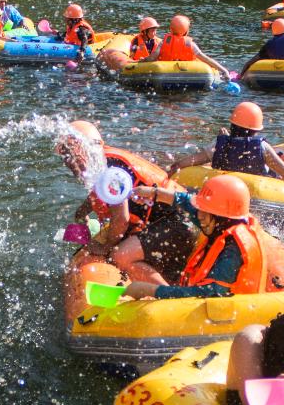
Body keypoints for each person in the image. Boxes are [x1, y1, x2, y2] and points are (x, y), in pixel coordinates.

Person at [60, 121, 195, 284]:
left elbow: (121, 219)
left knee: (119, 256)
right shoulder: (102, 162)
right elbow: (102, 193)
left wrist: (107, 246)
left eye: (70, 154)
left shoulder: (110, 169)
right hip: (174, 220)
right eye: (64, 155)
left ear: (84, 148)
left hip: (180, 222)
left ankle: (169, 296)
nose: (68, 161)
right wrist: (82, 212)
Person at [166, 101, 284, 212]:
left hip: (224, 192)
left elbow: (194, 159)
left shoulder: (218, 143)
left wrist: (175, 167)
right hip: (258, 195)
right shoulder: (262, 147)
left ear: (233, 124)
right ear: (256, 129)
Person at [121, 174, 265, 300]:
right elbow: (187, 203)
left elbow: (212, 294)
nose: (198, 215)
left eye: (204, 211)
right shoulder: (222, 221)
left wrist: (152, 291)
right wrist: (155, 193)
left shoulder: (233, 249)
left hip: (230, 312)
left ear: (221, 217)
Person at [142, 15, 230, 78]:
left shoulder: (164, 42)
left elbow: (152, 57)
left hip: (164, 72)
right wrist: (224, 70)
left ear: (171, 29)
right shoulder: (190, 44)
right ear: (186, 31)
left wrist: (142, 61)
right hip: (188, 74)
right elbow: (205, 58)